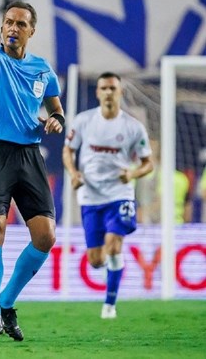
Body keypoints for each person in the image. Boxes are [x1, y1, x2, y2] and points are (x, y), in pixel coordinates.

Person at [0, 0, 64, 342]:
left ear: (31, 31)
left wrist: (56, 120)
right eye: (8, 23)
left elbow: (56, 109)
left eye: (20, 24)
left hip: (29, 155)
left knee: (45, 237)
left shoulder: (43, 70)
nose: (12, 28)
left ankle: (8, 300)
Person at [63, 72, 153, 319]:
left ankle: (110, 305)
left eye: (113, 88)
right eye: (104, 88)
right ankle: (112, 268)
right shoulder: (83, 121)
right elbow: (67, 151)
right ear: (97, 92)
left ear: (120, 92)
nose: (108, 92)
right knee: (95, 260)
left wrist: (133, 174)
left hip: (119, 194)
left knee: (114, 245)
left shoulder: (133, 127)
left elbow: (148, 164)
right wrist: (73, 173)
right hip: (90, 196)